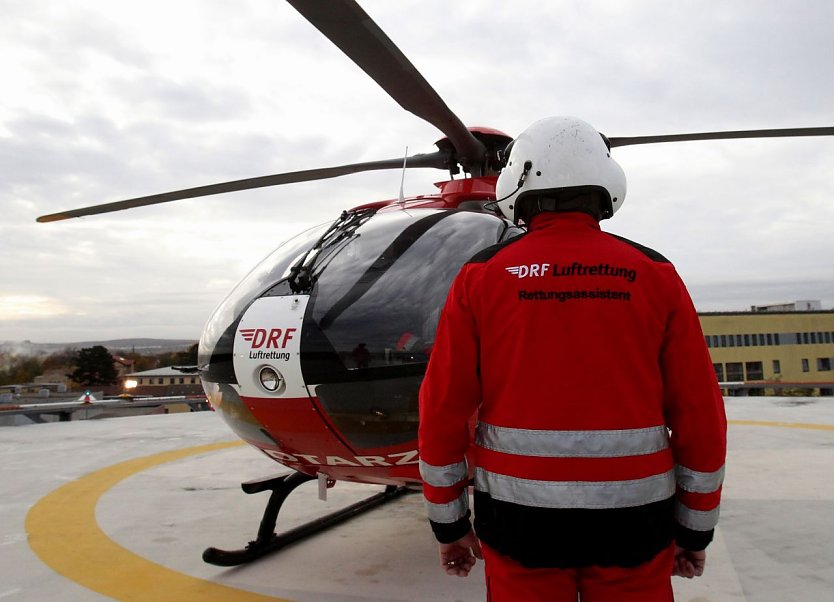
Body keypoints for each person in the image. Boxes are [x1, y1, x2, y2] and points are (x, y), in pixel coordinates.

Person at [418, 116, 727, 601]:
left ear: (517, 183)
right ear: (605, 185)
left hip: (519, 523)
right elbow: (700, 414)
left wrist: (448, 522)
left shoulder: (481, 277)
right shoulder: (654, 273)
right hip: (636, 521)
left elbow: (442, 410)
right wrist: (694, 531)